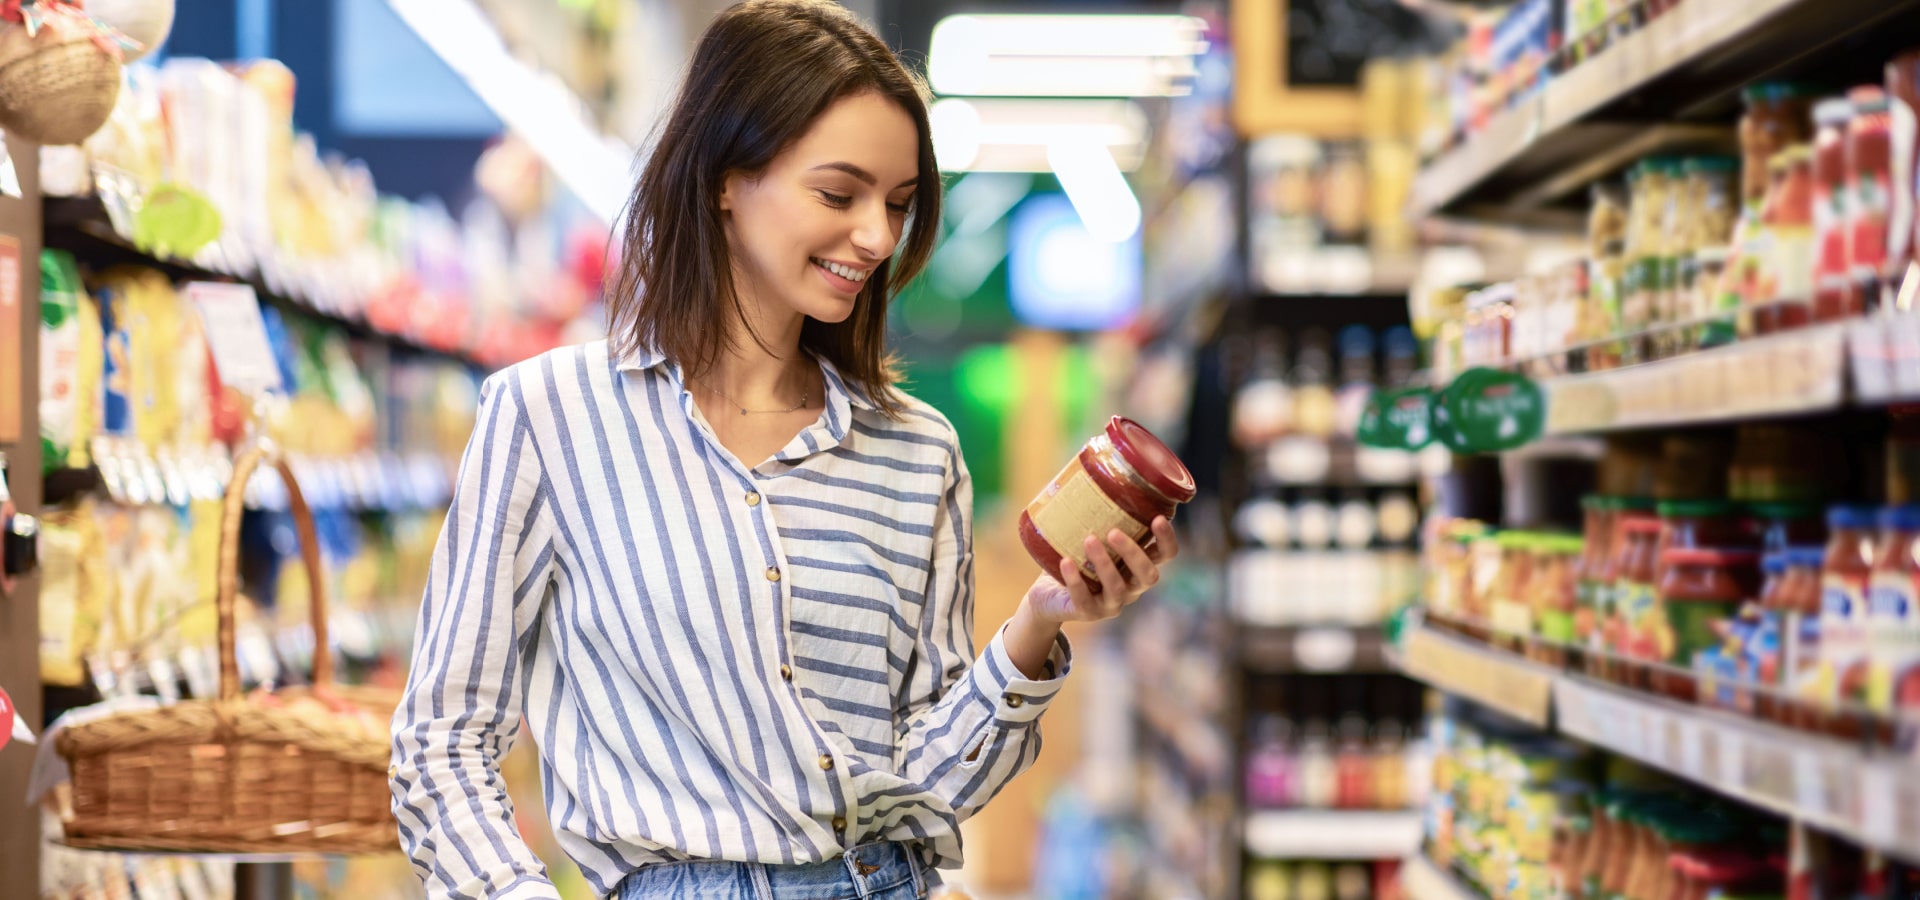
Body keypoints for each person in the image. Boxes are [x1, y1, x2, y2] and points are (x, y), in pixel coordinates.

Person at [388, 2, 1180, 898]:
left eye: (898, 205)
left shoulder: (918, 452)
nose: (877, 237)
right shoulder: (549, 416)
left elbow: (930, 783)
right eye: (839, 195)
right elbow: (442, 742)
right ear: (726, 179)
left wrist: (1040, 620)